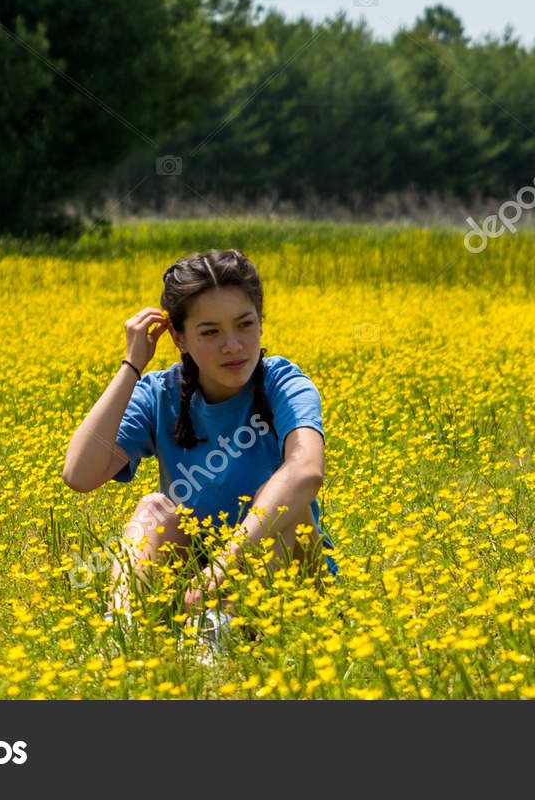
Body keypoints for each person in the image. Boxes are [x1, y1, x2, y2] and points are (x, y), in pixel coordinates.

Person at [61, 248, 337, 632]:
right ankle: (125, 633)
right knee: (153, 510)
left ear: (261, 322)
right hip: (195, 579)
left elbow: (306, 471)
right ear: (179, 337)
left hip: (289, 581)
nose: (233, 345)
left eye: (245, 324)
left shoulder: (283, 382)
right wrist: (131, 365)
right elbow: (79, 473)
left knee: (288, 513)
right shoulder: (161, 392)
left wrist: (228, 562)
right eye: (210, 332)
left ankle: (217, 631)